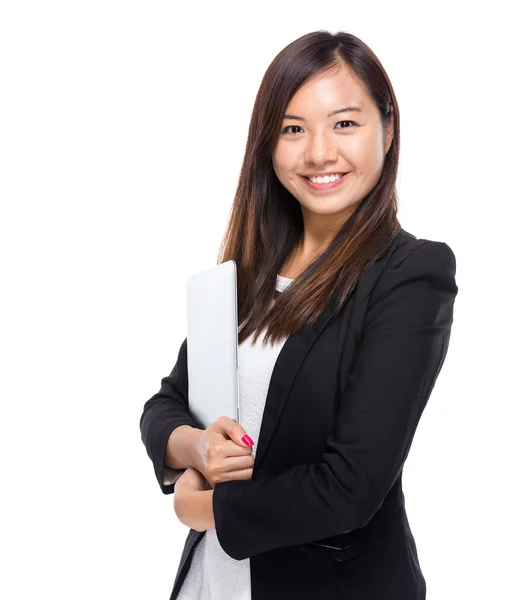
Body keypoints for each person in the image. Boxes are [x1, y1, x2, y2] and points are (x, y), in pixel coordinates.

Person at [139, 29, 458, 600]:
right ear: (268, 144)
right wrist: (195, 448)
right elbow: (167, 403)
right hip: (211, 585)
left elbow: (350, 488)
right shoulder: (250, 273)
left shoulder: (411, 274)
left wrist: (203, 507)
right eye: (293, 129)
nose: (318, 153)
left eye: (345, 123)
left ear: (388, 129)